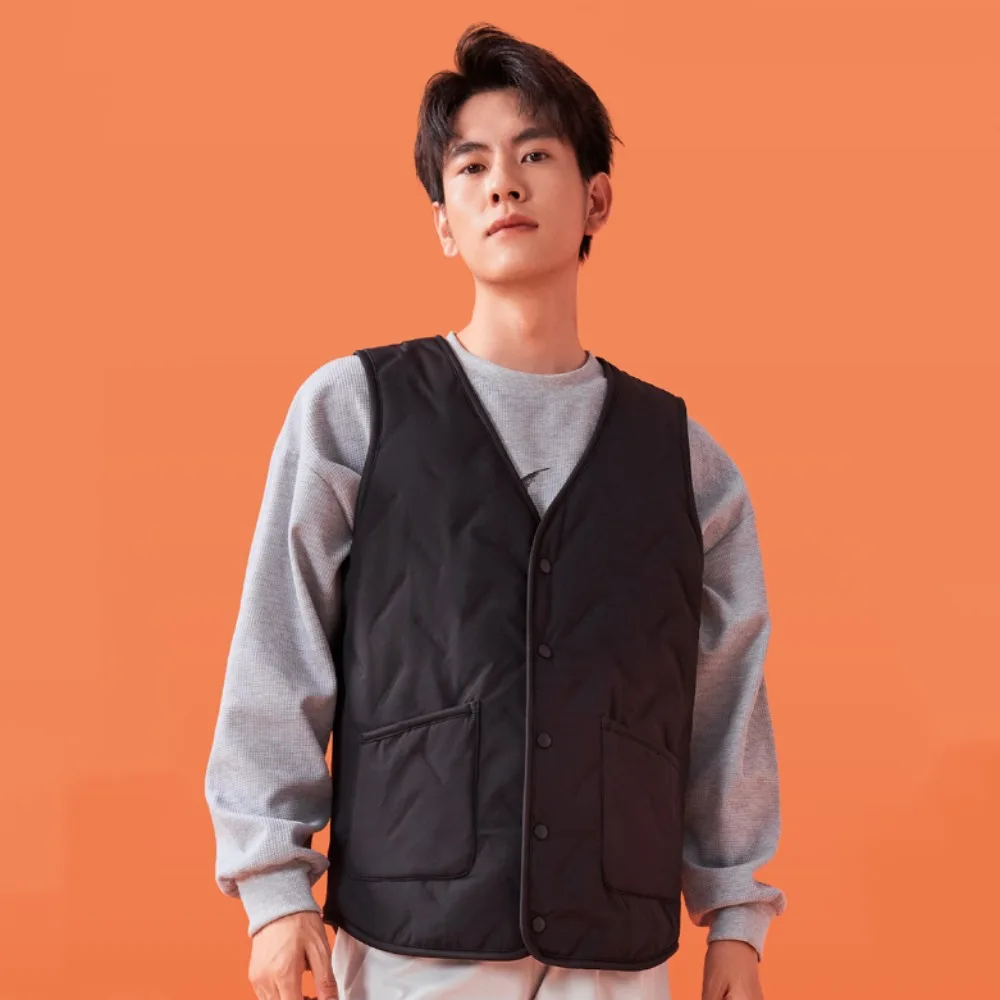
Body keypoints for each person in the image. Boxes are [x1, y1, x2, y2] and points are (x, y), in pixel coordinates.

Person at [204, 22, 786, 1000]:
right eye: (471, 166)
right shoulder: (354, 409)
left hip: (616, 951)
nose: (503, 185)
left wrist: (735, 916)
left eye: (535, 156)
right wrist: (272, 885)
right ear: (444, 221)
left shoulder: (688, 460)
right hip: (412, 943)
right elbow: (280, 645)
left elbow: (726, 699)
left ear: (596, 198)